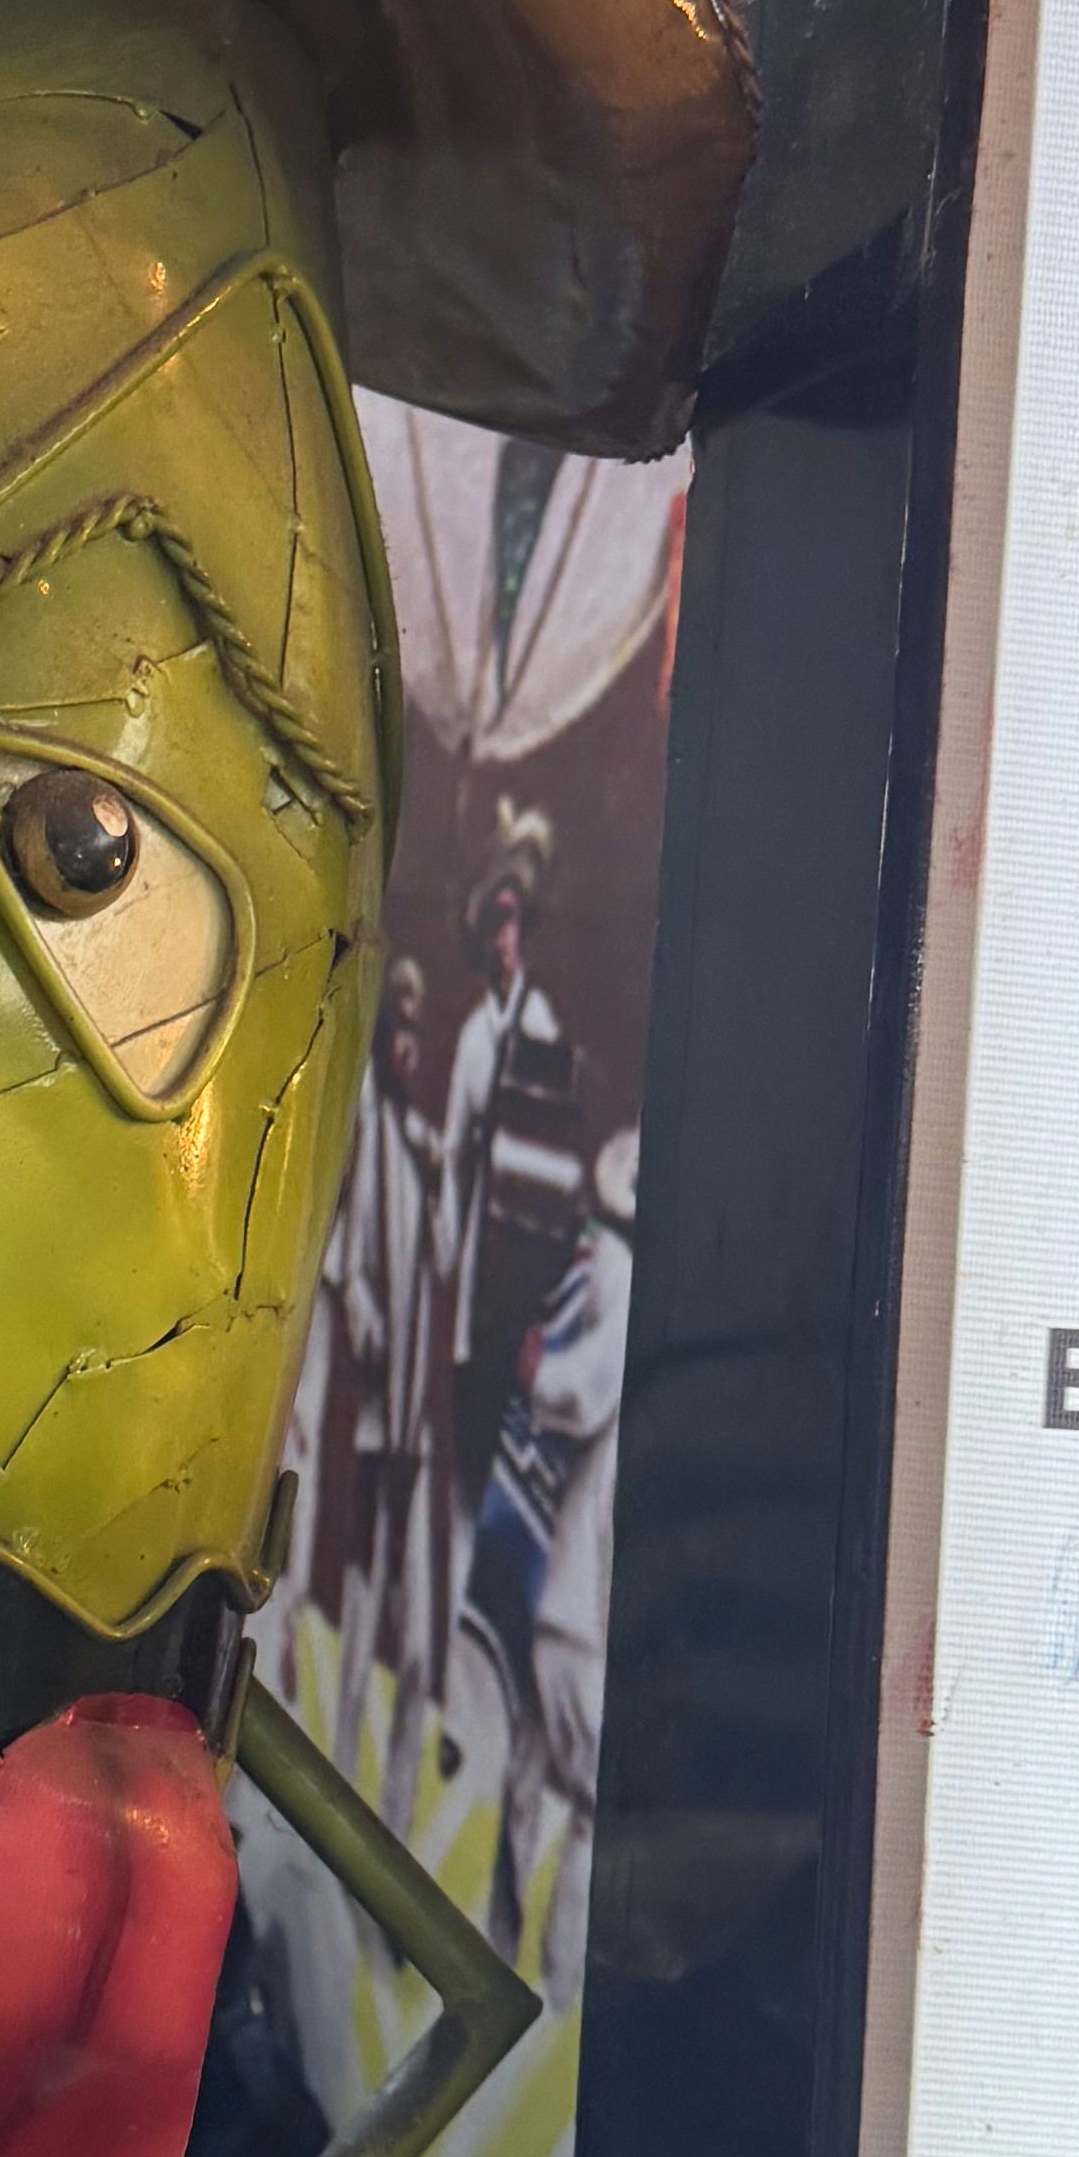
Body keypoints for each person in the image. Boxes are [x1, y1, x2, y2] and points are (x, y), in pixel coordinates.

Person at [459, 1124, 636, 2011]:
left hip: (563, 1585)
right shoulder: (620, 1274)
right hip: (577, 1598)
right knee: (591, 1794)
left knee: (529, 1771)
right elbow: (584, 1391)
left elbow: (576, 1389)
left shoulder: (600, 1267)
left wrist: (541, 1372)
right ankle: (560, 1984)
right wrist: (543, 1375)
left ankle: (501, 1949)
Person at [329, 952, 455, 1838]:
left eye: (417, 1031)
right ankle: (337, 1777)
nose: (409, 1045)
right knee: (361, 1600)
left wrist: (441, 1176)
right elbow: (349, 1263)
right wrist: (368, 1323)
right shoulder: (369, 1123)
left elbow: (441, 1258)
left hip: (415, 1424)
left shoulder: (415, 1142)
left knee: (409, 1625)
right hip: (374, 1418)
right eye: (398, 1027)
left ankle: (393, 1814)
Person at [441, 800, 582, 1505]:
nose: (504, 936)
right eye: (494, 922)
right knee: (471, 1390)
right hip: (479, 1237)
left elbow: (550, 1147)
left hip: (523, 1241)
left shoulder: (540, 1020)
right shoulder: (474, 1034)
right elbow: (452, 1151)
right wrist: (447, 1244)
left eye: (513, 921)